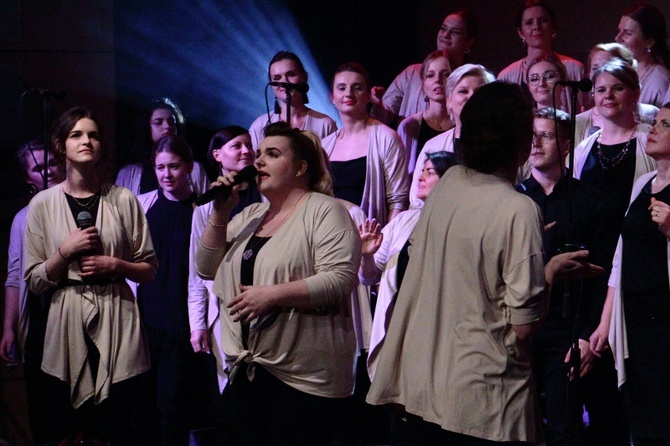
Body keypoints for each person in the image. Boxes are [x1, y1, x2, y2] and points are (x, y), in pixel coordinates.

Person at [366, 82, 603, 445]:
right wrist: (550, 270)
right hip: (481, 396)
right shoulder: (518, 208)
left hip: (426, 380)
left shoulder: (450, 185)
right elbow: (522, 327)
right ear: (521, 142)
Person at [195, 121, 361, 445]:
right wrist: (220, 212)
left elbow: (341, 279)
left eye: (272, 154)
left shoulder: (326, 211)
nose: (258, 162)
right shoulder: (250, 215)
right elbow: (205, 268)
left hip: (304, 378)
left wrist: (273, 295)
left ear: (301, 167)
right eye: (258, 154)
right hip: (250, 370)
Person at [23, 107, 158, 444]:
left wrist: (117, 266)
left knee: (117, 422)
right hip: (67, 318)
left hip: (117, 315)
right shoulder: (43, 203)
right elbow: (34, 280)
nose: (87, 141)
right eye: (77, 135)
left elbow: (149, 269)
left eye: (94, 135)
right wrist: (65, 252)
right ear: (60, 145)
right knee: (68, 425)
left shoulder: (124, 200)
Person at [516, 108, 619, 445]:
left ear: (564, 143)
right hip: (522, 329)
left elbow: (605, 274)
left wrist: (588, 334)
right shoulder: (513, 201)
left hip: (569, 329)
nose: (535, 143)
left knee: (565, 427)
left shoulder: (592, 201)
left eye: (545, 135)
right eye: (531, 135)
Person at [590, 103, 670, 444]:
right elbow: (619, 259)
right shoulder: (644, 182)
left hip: (665, 320)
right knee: (640, 409)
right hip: (635, 318)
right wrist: (606, 322)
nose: (653, 128)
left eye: (665, 125)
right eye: (656, 122)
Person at [187, 126, 261, 444]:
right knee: (231, 398)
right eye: (236, 146)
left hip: (263, 303)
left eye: (249, 145)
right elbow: (197, 271)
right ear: (217, 155)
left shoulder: (266, 192)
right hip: (226, 309)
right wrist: (197, 324)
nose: (246, 150)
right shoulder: (207, 206)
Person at [135, 135, 209, 445]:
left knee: (172, 405)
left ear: (189, 167)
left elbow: (203, 274)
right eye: (160, 167)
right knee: (143, 404)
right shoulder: (143, 205)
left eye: (174, 167)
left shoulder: (202, 210)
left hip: (180, 320)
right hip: (145, 317)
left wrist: (199, 323)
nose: (167, 174)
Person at [1, 140, 63, 444]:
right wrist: (8, 327)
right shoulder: (23, 218)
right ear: (29, 178)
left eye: (52, 162)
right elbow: (15, 276)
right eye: (39, 167)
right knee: (42, 402)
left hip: (76, 310)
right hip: (39, 317)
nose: (49, 171)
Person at [322, 62, 409, 227]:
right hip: (330, 238)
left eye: (357, 88)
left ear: (368, 95)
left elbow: (397, 201)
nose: (349, 93)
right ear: (332, 97)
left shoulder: (387, 138)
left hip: (371, 243)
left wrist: (385, 247)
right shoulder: (325, 146)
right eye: (341, 88)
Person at [573, 58, 656, 224]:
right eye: (601, 90)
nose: (608, 96)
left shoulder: (652, 141)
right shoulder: (583, 148)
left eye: (618, 88)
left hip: (636, 240)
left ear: (636, 94)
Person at [370, 9, 478, 127]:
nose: (446, 35)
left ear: (469, 42)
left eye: (455, 32)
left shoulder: (470, 80)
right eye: (443, 29)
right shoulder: (412, 73)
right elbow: (382, 118)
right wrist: (377, 105)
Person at [408, 63, 495, 208]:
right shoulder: (433, 146)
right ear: (449, 101)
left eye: (479, 91)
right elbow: (416, 200)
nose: (472, 97)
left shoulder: (504, 145)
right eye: (463, 91)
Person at [498, 0, 588, 112]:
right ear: (520, 32)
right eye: (529, 22)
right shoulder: (506, 76)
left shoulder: (575, 69)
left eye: (543, 20)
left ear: (553, 27)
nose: (536, 27)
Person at [115, 97, 209, 195]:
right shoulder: (128, 173)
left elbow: (207, 207)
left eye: (171, 122)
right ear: (147, 128)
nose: (167, 126)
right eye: (158, 122)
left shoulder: (195, 169)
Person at [575, 42, 659, 146]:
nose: (603, 73)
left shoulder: (651, 114)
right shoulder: (578, 123)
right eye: (595, 68)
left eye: (609, 66)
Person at [248, 51, 336, 148]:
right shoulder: (260, 125)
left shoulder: (324, 124)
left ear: (304, 77)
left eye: (291, 74)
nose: (284, 82)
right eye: (277, 78)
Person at [396, 50, 453, 175]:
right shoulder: (409, 126)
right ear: (423, 83)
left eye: (445, 74)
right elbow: (401, 174)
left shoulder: (462, 125)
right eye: (430, 75)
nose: (438, 80)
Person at [615, 2, 670, 108]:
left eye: (627, 33)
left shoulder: (659, 81)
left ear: (649, 42)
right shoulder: (623, 72)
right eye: (619, 31)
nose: (617, 38)